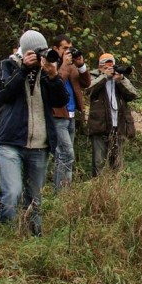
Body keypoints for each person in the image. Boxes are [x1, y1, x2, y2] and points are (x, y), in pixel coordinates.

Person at [0, 30, 69, 236]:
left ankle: (35, 239)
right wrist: (24, 70)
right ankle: (7, 239)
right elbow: (3, 94)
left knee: (35, 199)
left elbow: (61, 101)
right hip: (10, 141)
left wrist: (53, 76)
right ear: (25, 51)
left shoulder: (46, 71)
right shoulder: (8, 66)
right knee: (12, 193)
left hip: (40, 145)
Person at [86, 53, 139, 177]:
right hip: (99, 126)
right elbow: (88, 90)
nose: (110, 68)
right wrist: (104, 76)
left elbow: (133, 94)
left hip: (118, 126)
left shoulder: (118, 78)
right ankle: (98, 190)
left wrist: (121, 80)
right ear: (100, 66)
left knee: (117, 163)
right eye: (107, 65)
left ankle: (115, 190)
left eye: (112, 65)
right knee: (99, 162)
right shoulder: (93, 76)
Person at [50, 35, 91, 191]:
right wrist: (66, 65)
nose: (68, 51)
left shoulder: (72, 65)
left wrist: (81, 66)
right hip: (58, 115)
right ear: (56, 49)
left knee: (63, 154)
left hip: (71, 114)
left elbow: (86, 83)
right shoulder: (51, 65)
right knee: (67, 153)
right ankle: (63, 192)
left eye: (70, 48)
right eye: (64, 48)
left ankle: (62, 189)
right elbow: (56, 83)